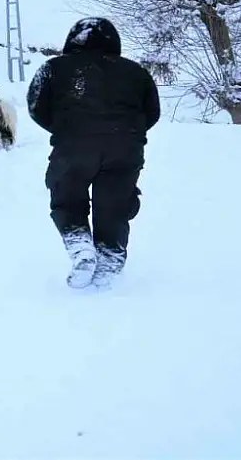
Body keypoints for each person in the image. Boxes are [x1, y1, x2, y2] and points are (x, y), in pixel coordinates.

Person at [26, 17, 160, 288]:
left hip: (73, 146)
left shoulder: (52, 68)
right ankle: (110, 257)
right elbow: (152, 112)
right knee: (114, 205)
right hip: (126, 148)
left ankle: (80, 247)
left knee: (67, 197)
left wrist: (64, 129)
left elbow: (35, 107)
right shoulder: (136, 72)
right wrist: (128, 133)